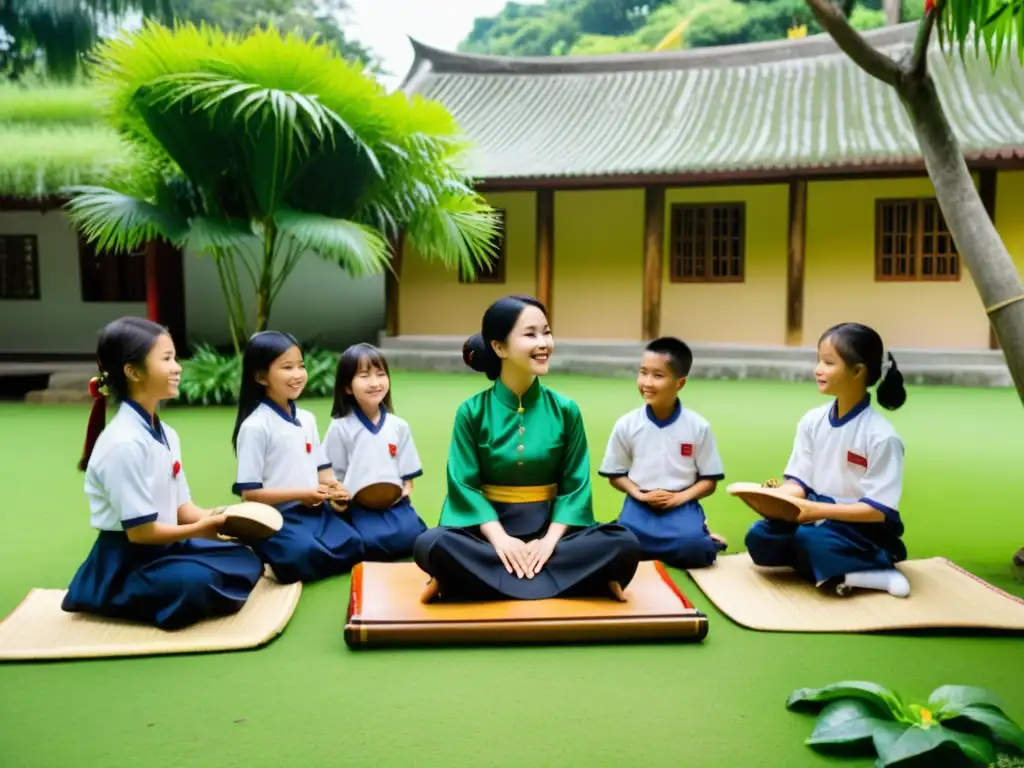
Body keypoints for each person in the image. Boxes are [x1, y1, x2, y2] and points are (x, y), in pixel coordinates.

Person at [413, 295, 641, 602]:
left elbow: (575, 487)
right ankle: (571, 581)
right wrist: (502, 541)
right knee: (433, 544)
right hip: (486, 534)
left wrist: (548, 542)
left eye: (546, 332)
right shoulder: (471, 411)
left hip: (553, 531)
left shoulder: (565, 409)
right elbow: (463, 486)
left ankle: (478, 583)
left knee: (624, 543)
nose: (544, 342)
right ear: (499, 347)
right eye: (530, 334)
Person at [62, 317, 264, 630]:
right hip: (129, 559)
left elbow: (183, 509)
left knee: (245, 558)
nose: (178, 367)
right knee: (194, 584)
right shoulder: (122, 444)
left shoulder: (166, 432)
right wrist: (201, 530)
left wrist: (226, 517)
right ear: (133, 371)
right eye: (167, 359)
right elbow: (141, 533)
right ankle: (107, 594)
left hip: (167, 545)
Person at [744, 322, 911, 597]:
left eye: (828, 362)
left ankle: (881, 572)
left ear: (858, 371)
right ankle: (838, 570)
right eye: (818, 361)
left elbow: (878, 510)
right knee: (760, 538)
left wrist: (818, 512)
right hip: (813, 515)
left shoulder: (882, 436)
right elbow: (799, 480)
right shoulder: (812, 421)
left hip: (861, 529)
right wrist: (774, 500)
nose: (817, 370)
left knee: (811, 540)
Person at [231, 331, 364, 583]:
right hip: (275, 516)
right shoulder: (255, 426)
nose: (298, 374)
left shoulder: (307, 419)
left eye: (300, 366)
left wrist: (335, 487)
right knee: (300, 556)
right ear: (261, 376)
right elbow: (249, 494)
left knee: (354, 544)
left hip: (314, 510)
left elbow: (322, 471)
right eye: (287, 367)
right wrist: (302, 493)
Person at [599, 336, 727, 569]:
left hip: (681, 504)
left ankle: (704, 537)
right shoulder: (626, 424)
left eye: (658, 376)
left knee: (695, 549)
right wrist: (639, 494)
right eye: (643, 372)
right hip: (640, 503)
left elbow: (709, 481)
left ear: (680, 383)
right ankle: (629, 528)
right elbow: (615, 474)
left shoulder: (698, 427)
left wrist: (678, 497)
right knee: (620, 546)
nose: (647, 382)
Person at [321, 343, 427, 561]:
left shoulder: (399, 426)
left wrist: (405, 489)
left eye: (380, 374)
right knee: (369, 542)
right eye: (364, 376)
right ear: (347, 387)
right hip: (357, 506)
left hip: (394, 502)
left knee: (416, 537)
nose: (375, 383)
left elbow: (408, 475)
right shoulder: (340, 427)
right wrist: (338, 496)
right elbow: (333, 474)